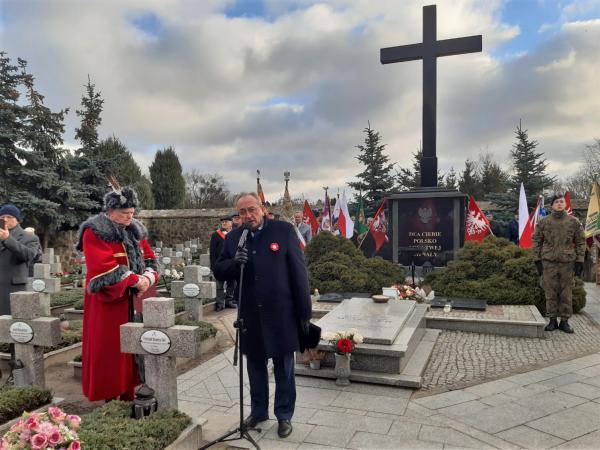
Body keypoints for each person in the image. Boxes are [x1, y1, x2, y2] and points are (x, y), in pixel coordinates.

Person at [214, 193, 312, 439]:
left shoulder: (283, 230)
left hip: (282, 313)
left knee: (283, 367)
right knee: (255, 366)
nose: (248, 216)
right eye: (242, 212)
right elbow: (219, 270)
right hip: (250, 315)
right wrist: (235, 263)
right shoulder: (236, 237)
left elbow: (298, 273)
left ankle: (284, 415)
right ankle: (258, 411)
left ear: (263, 208)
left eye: (251, 210)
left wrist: (304, 312)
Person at [77, 187, 159, 401]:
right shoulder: (94, 231)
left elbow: (150, 258)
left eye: (132, 212)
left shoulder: (134, 230)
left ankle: (130, 395)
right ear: (111, 210)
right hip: (109, 305)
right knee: (111, 352)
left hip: (134, 301)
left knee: (132, 353)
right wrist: (135, 280)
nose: (130, 216)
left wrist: (148, 278)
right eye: (125, 213)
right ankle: (110, 399)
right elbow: (103, 267)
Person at [532, 194, 585, 333]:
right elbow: (536, 241)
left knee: (566, 293)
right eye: (557, 202)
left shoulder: (574, 222)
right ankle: (552, 321)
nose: (560, 204)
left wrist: (580, 260)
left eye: (562, 202)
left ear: (565, 204)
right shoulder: (543, 222)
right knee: (550, 292)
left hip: (567, 263)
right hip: (549, 262)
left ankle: (565, 321)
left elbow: (580, 242)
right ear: (552, 205)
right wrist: (537, 259)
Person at [0, 204, 42, 316]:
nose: (5, 219)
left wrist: (7, 239)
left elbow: (27, 255)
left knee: (11, 323)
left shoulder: (29, 237)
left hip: (13, 287)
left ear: (18, 220)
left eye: (9, 217)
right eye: (2, 217)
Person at [209, 216, 236, 311]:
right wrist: (213, 265)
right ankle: (220, 304)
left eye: (226, 221)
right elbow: (212, 252)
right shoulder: (216, 235)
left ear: (231, 223)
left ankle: (229, 301)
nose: (224, 223)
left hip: (231, 263)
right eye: (223, 222)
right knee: (219, 284)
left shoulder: (234, 234)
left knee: (232, 283)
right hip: (219, 264)